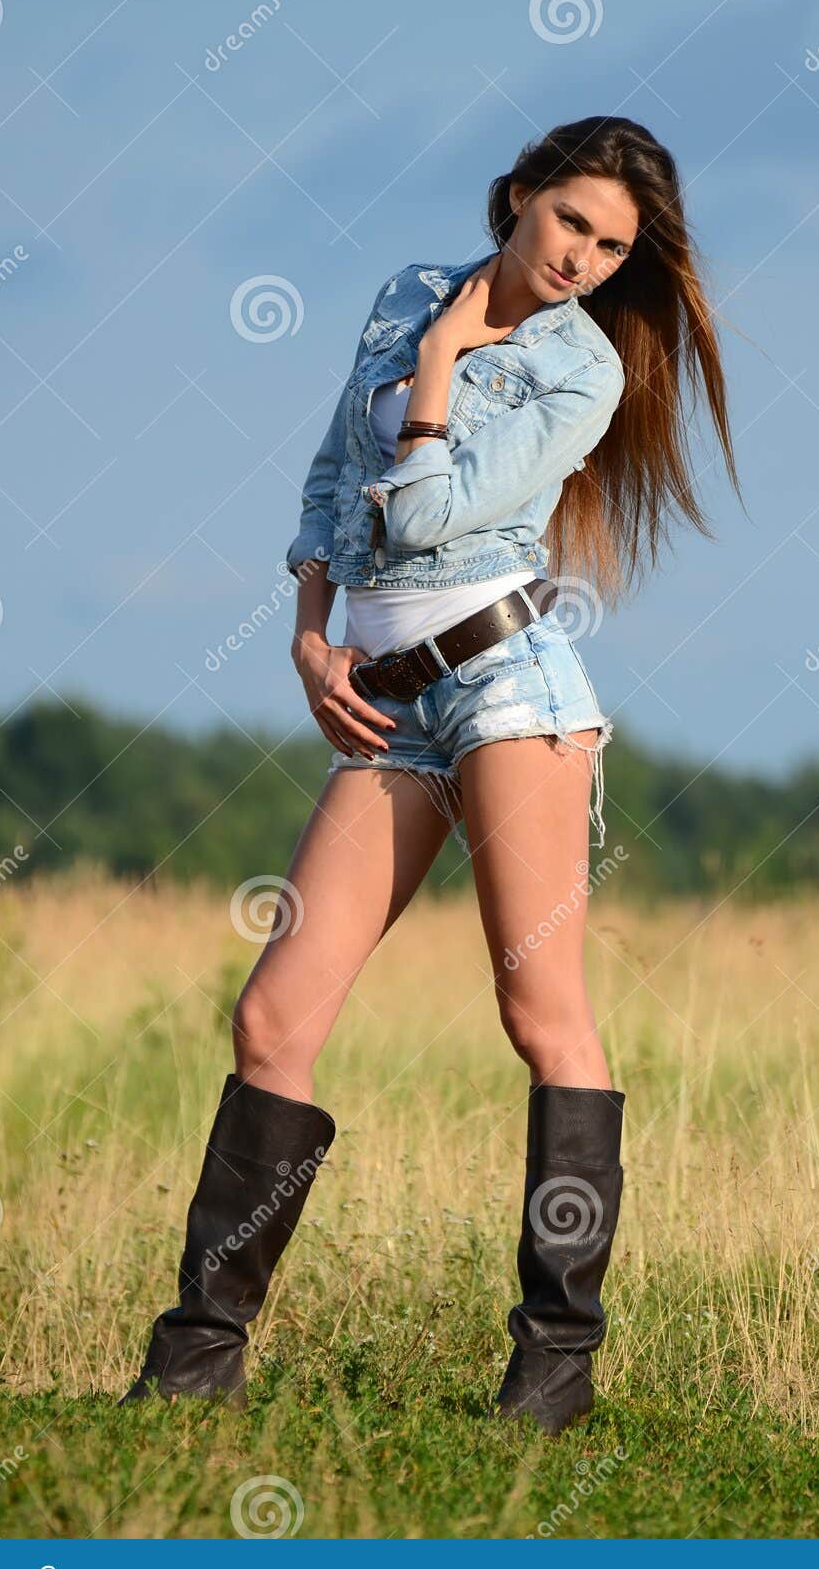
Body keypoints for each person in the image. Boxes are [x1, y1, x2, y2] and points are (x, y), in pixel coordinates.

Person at [120, 116, 742, 1435]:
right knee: (273, 1017)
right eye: (572, 221)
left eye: (613, 246)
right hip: (388, 702)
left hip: (512, 688)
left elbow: (427, 512)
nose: (584, 256)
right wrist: (307, 628)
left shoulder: (581, 376)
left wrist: (451, 362)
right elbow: (339, 481)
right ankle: (196, 1362)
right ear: (519, 197)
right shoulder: (404, 291)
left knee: (542, 1012)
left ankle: (556, 1367)